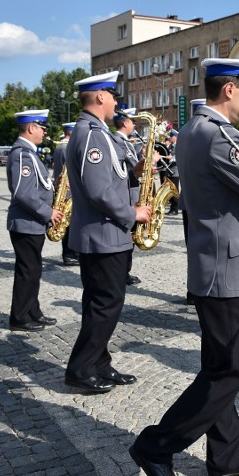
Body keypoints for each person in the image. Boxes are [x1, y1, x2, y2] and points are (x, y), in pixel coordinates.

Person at [129, 58, 239, 476]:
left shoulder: (195, 130)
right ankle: (156, 445)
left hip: (217, 266)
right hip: (226, 274)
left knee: (219, 368)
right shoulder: (219, 135)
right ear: (231, 88)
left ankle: (225, 457)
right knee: (228, 372)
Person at [64, 71, 152, 394]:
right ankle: (80, 368)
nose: (116, 102)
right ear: (100, 96)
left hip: (107, 235)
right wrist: (133, 213)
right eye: (112, 95)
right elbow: (99, 191)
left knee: (99, 304)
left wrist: (137, 171)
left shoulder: (97, 132)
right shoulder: (91, 135)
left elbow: (110, 178)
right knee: (105, 306)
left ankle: (99, 363)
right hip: (103, 236)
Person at [6, 110, 63, 332]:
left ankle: (33, 311)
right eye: (42, 127)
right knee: (27, 271)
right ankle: (19, 318)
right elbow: (22, 193)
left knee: (33, 270)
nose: (44, 132)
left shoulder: (29, 154)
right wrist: (47, 213)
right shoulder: (22, 155)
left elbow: (35, 187)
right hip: (25, 223)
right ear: (31, 128)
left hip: (32, 223)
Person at [113, 106, 145, 286]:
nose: (134, 125)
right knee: (128, 235)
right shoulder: (122, 143)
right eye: (132, 121)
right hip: (128, 194)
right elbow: (135, 170)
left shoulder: (123, 142)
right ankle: (124, 273)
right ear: (125, 123)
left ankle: (125, 271)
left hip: (129, 192)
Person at [53, 122, 79, 267]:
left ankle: (71, 254)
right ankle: (69, 255)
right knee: (69, 224)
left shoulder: (60, 146)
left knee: (68, 223)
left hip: (64, 188)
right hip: (68, 190)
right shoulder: (66, 147)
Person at [165, 130, 180, 215]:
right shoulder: (170, 146)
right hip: (169, 171)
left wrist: (170, 158)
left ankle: (175, 209)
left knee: (174, 190)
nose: (170, 138)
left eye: (172, 136)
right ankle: (172, 208)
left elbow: (178, 157)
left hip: (175, 171)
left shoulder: (179, 146)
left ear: (176, 137)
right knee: (169, 190)